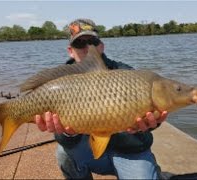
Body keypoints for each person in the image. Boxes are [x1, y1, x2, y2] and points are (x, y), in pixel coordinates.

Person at [34, 18, 168, 179]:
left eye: (92, 41)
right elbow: (65, 139)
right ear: (70, 50)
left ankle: (150, 169)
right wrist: (66, 133)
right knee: (63, 153)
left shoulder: (127, 73)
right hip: (90, 152)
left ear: (101, 46)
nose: (86, 48)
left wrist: (153, 122)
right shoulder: (60, 82)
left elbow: (151, 113)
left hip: (130, 152)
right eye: (79, 43)